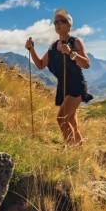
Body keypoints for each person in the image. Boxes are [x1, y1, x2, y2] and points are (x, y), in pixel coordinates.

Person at [25, 9, 93, 146]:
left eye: (62, 21)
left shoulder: (75, 42)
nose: (58, 24)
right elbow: (40, 64)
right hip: (63, 86)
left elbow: (86, 64)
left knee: (61, 118)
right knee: (71, 121)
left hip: (76, 85)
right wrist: (31, 49)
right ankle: (79, 149)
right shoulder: (52, 47)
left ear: (69, 26)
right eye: (55, 22)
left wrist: (71, 53)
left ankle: (71, 149)